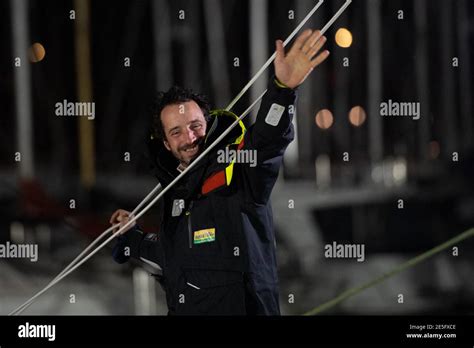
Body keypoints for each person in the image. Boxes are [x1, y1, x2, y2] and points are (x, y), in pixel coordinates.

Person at [110, 29, 329, 315]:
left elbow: (267, 141)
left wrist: (283, 91)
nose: (189, 138)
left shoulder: (236, 168)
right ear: (166, 143)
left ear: (208, 122)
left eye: (194, 126)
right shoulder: (176, 193)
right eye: (176, 132)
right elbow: (172, 257)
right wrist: (130, 237)